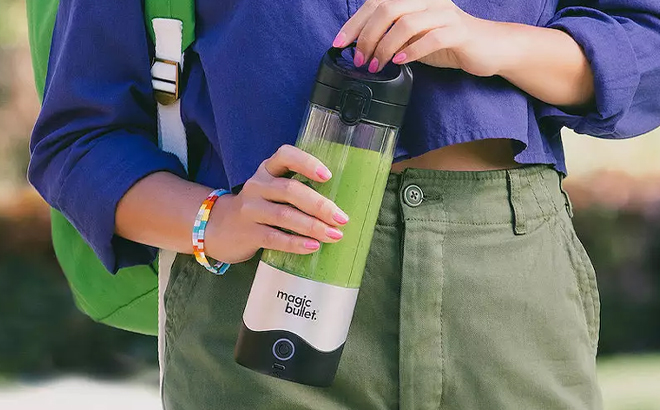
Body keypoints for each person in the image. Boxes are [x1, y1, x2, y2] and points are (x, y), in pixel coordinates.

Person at [29, 0, 660, 408]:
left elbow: (646, 40)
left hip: (507, 290)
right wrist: (214, 220)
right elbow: (81, 139)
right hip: (262, 292)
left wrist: (498, 43)